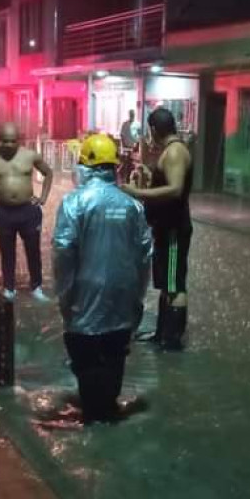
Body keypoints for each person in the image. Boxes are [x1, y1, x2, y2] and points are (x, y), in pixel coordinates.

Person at [53, 134, 152, 424]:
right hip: (123, 294)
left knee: (85, 358)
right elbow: (145, 255)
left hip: (84, 293)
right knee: (115, 354)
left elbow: (63, 251)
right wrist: (137, 297)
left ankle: (94, 415)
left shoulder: (74, 202)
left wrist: (64, 295)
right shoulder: (132, 206)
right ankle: (109, 411)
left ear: (85, 166)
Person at [121, 108, 193, 351]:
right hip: (165, 227)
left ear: (153, 129)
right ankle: (162, 333)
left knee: (174, 284)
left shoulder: (174, 152)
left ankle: (171, 340)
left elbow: (175, 189)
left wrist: (139, 193)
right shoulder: (170, 152)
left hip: (174, 228)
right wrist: (149, 176)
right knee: (166, 283)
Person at [0, 122, 54, 301]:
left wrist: (43, 197)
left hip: (28, 211)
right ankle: (9, 287)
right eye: (5, 141)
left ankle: (36, 287)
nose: (9, 145)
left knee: (33, 251)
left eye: (13, 141)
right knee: (6, 252)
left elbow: (48, 173)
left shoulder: (30, 156)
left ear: (19, 140)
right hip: (4, 212)